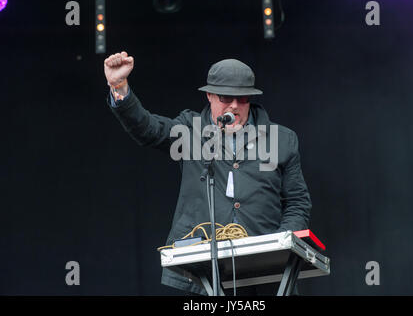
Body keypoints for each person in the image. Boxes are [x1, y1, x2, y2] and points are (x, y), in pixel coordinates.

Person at [104, 51, 312, 295]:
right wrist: (119, 87)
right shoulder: (190, 130)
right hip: (204, 270)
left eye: (242, 98)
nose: (234, 105)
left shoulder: (282, 139)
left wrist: (279, 246)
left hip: (266, 273)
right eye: (226, 97)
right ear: (210, 95)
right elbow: (148, 128)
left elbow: (298, 202)